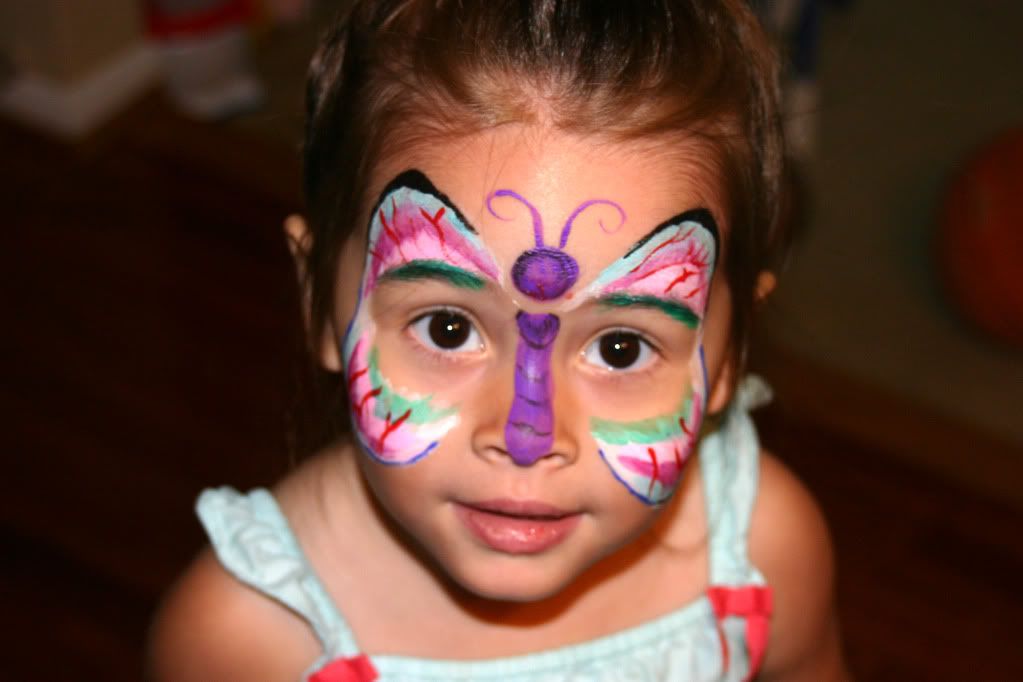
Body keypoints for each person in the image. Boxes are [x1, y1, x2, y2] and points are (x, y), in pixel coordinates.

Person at [149, 1, 849, 679]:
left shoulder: (763, 550)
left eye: (620, 348)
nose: (526, 434)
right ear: (314, 299)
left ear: (728, 355)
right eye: (447, 329)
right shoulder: (243, 644)